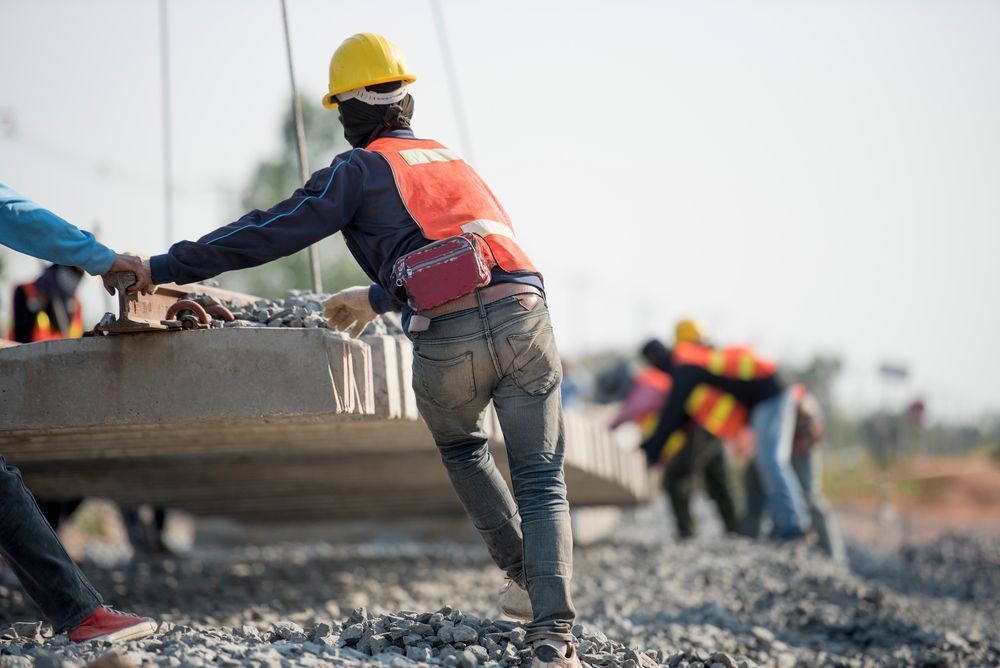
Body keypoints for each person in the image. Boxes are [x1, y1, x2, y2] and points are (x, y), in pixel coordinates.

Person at [126, 33, 578, 667]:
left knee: (462, 446)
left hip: (448, 339)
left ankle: (522, 575)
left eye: (340, 108)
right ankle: (554, 634)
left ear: (358, 108)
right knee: (540, 478)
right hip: (528, 319)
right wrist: (376, 296)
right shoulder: (455, 162)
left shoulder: (360, 168)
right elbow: (466, 255)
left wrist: (163, 264)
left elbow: (268, 231)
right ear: (405, 102)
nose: (339, 121)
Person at [0, 184, 156, 642]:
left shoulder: (63, 301)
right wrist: (102, 257)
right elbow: (14, 213)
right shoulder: (28, 293)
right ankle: (80, 613)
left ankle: (80, 611)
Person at [639, 335, 811, 539]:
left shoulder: (684, 367)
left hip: (769, 394)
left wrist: (651, 451)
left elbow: (672, 414)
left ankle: (793, 525)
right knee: (763, 465)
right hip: (765, 395)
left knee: (771, 460)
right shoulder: (689, 361)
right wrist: (651, 448)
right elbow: (680, 417)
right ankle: (779, 525)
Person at [615, 343, 737, 539]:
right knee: (717, 479)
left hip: (704, 426)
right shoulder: (684, 364)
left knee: (676, 476)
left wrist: (653, 449)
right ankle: (734, 528)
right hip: (712, 424)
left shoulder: (679, 368)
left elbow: (673, 415)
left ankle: (688, 531)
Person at [740, 384, 846, 563]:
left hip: (801, 441)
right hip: (772, 444)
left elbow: (811, 427)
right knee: (759, 492)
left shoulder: (796, 402)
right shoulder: (753, 398)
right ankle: (755, 547)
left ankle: (834, 559)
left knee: (809, 496)